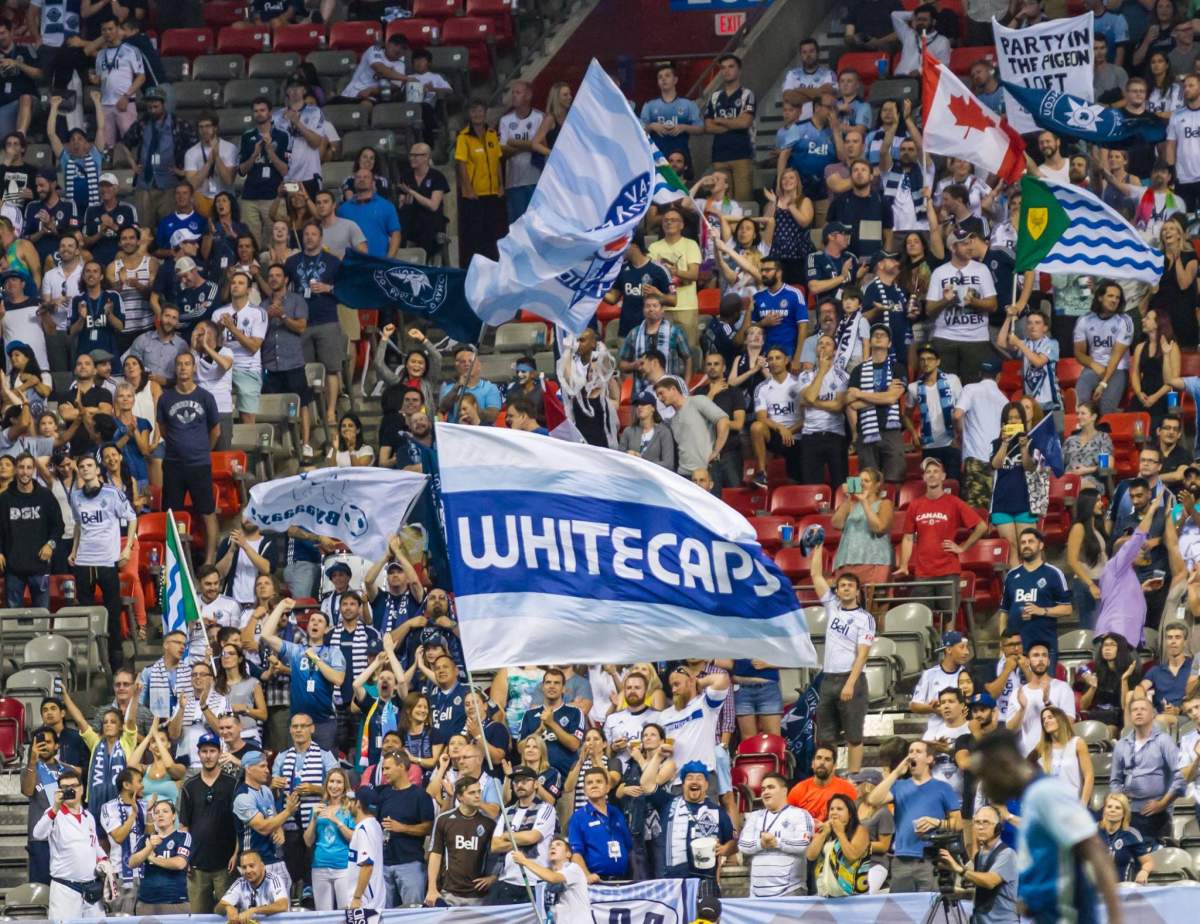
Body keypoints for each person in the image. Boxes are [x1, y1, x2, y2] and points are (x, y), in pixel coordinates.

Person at [972, 730, 1124, 924]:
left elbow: (1096, 850)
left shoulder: (1045, 793)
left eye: (985, 776)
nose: (984, 787)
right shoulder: (1031, 797)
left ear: (1005, 764)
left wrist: (1116, 919)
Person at [865, 740, 961, 892]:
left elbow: (958, 824)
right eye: (910, 752)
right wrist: (896, 773)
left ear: (929, 759)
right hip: (901, 859)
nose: (912, 755)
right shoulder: (900, 786)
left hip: (931, 860)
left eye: (918, 751)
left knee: (931, 910)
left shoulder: (943, 788)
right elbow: (873, 800)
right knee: (900, 912)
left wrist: (937, 823)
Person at [68, 452, 135, 672]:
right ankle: (93, 660)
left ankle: (116, 661)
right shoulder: (75, 496)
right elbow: (79, 525)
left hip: (107, 561)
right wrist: (74, 550)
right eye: (82, 466)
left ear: (98, 470)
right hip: (84, 561)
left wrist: (127, 547)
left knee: (112, 612)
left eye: (89, 465)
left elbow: (132, 517)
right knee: (87, 615)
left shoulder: (112, 493)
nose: (85, 469)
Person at [811, 540, 872, 772]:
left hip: (852, 679)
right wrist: (817, 547)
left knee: (854, 735)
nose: (845, 588)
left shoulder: (865, 618)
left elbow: (862, 654)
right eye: (842, 585)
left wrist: (850, 683)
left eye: (850, 585)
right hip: (829, 679)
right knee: (825, 736)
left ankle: (854, 777)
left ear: (857, 591)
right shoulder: (832, 607)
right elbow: (816, 574)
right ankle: (829, 776)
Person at [157, 351, 220, 563]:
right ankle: (178, 561)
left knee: (207, 512)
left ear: (194, 368)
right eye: (179, 364)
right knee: (172, 515)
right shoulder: (166, 399)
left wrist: (202, 450)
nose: (183, 368)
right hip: (173, 465)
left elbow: (215, 431)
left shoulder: (205, 397)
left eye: (187, 364)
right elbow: (163, 429)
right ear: (175, 369)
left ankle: (209, 561)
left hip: (199, 464)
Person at [260, 599, 345, 752]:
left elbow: (338, 679)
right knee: (298, 768)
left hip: (324, 722)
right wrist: (281, 606)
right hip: (298, 723)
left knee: (326, 770)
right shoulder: (296, 650)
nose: (315, 623)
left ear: (326, 629)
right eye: (312, 620)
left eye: (320, 621)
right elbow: (266, 635)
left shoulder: (334, 652)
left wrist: (316, 659)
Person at [644, 760, 734, 898]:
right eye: (689, 778)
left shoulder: (718, 812)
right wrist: (658, 756)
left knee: (705, 920)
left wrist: (725, 849)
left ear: (706, 785)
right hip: (672, 881)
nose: (694, 781)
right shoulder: (668, 802)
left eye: (699, 778)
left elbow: (733, 843)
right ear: (683, 784)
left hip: (705, 882)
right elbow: (646, 785)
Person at [31, 768, 108, 921]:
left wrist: (105, 860)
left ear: (81, 789)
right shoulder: (53, 813)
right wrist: (54, 808)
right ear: (59, 791)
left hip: (92, 888)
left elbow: (94, 846)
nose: (70, 790)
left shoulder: (88, 816)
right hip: (65, 889)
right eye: (65, 787)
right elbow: (38, 834)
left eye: (73, 786)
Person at [178, 732, 239, 913]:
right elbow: (184, 826)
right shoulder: (189, 786)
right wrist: (184, 856)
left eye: (212, 751)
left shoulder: (232, 784)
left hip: (226, 864)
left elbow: (239, 824)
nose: (208, 755)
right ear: (199, 754)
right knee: (198, 918)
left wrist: (236, 853)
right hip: (196, 865)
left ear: (220, 753)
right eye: (204, 751)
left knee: (227, 916)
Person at [1110, 696, 1184, 844]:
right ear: (1130, 716)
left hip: (1157, 812)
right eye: (1134, 710)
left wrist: (1163, 803)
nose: (1138, 712)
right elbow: (1115, 780)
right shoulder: (1121, 745)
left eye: (1143, 709)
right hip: (1129, 812)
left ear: (1153, 715)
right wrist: (1121, 802)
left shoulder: (1163, 741)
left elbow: (1180, 775)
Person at [997, 528, 1072, 666]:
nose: (1026, 545)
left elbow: (1067, 609)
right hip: (1015, 648)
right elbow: (1004, 612)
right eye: (1023, 542)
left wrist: (1042, 611)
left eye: (1030, 541)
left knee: (1043, 687)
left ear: (1041, 545)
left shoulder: (1053, 574)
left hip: (1043, 647)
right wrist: (1002, 644)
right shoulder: (1012, 576)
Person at [936, 804, 1019, 924]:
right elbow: (984, 892)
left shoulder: (1007, 854)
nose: (980, 827)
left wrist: (960, 869)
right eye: (977, 822)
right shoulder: (980, 855)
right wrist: (957, 892)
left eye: (986, 822)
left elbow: (990, 882)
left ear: (998, 827)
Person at [486, 765, 557, 905]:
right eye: (516, 781)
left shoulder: (546, 808)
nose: (520, 785)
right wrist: (521, 838)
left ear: (536, 784)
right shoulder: (506, 812)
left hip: (534, 881)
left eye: (525, 781)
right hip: (506, 880)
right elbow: (494, 846)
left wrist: (507, 835)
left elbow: (533, 837)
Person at [0, 451, 63, 607]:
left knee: (42, 616)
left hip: (40, 567)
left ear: (34, 470)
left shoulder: (45, 495)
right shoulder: (5, 498)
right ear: (16, 470)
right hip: (13, 568)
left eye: (29, 468)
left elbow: (58, 526)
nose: (25, 472)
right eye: (21, 467)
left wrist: (50, 544)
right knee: (12, 620)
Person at [425, 776, 498, 907]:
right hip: (449, 893)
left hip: (479, 896)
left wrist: (493, 877)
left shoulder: (489, 824)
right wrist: (431, 888)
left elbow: (498, 856)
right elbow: (435, 854)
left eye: (478, 791)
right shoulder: (444, 820)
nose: (477, 796)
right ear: (460, 797)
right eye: (472, 793)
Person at [737, 772, 814, 897]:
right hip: (757, 895)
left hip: (790, 892)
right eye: (763, 789)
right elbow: (742, 845)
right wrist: (761, 844)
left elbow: (804, 844)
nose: (765, 792)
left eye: (771, 787)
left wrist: (777, 842)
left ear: (784, 791)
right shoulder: (754, 816)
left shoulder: (800, 815)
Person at [454, 100, 505, 267]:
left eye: (480, 111)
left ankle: (494, 265)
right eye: (473, 111)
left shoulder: (491, 134)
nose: (477, 114)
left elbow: (497, 161)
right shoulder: (463, 137)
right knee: (475, 235)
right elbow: (461, 164)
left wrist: (501, 185)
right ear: (469, 114)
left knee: (493, 232)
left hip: (492, 193)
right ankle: (474, 268)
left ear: (485, 113)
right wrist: (467, 189)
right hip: (474, 196)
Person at [1006, 643, 1078, 758]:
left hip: (1057, 756)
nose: (1040, 659)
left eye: (1044, 655)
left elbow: (1069, 723)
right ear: (1028, 661)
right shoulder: (1018, 693)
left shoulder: (1063, 688)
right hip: (1029, 758)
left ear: (1049, 661)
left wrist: (1047, 702)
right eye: (1036, 655)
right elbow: (1010, 730)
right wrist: (1022, 709)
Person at [1074, 281, 1134, 415]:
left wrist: (1103, 383)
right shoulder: (1085, 320)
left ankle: (1103, 432)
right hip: (1094, 367)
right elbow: (1078, 353)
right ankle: (1080, 431)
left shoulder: (1125, 321)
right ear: (1100, 297)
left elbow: (1116, 356)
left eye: (1117, 298)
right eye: (1110, 296)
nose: (1114, 300)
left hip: (1117, 369)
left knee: (1105, 408)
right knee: (1080, 398)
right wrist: (1093, 364)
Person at [703, 54, 755, 201]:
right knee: (723, 202)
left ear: (739, 70)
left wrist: (720, 120)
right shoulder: (714, 97)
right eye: (723, 68)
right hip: (719, 156)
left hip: (742, 155)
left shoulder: (747, 94)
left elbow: (745, 123)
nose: (726, 71)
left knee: (743, 201)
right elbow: (708, 126)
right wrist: (734, 122)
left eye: (731, 67)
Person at [566, 765, 632, 882]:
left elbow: (628, 845)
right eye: (589, 783)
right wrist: (587, 877)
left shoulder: (617, 812)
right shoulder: (578, 818)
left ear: (607, 787)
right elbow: (576, 854)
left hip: (623, 881)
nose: (594, 785)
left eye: (599, 781)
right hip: (597, 882)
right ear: (585, 790)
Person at [128, 800, 191, 915]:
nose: (160, 814)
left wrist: (151, 858)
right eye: (156, 812)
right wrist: (149, 848)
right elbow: (132, 863)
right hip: (146, 902)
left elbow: (180, 863)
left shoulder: (182, 836)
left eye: (165, 811)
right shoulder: (146, 839)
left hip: (175, 902)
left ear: (173, 816)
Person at [511, 836, 591, 924]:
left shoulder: (574, 869)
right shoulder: (544, 876)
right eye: (551, 846)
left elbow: (553, 878)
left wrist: (524, 861)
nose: (553, 847)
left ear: (568, 854)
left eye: (558, 845)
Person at [805, 792, 870, 898]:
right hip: (826, 895)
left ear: (850, 814)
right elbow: (810, 856)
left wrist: (840, 833)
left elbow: (852, 856)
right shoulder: (827, 831)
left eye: (839, 809)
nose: (834, 812)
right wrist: (823, 834)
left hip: (852, 896)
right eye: (832, 809)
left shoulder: (860, 830)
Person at [215, 850, 290, 923]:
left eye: (251, 866)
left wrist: (254, 910)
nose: (248, 871)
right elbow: (218, 909)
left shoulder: (273, 879)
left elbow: (283, 905)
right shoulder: (240, 883)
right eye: (244, 867)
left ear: (262, 866)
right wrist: (228, 907)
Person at [786, 746, 858, 822]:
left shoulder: (847, 789)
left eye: (827, 759)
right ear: (812, 764)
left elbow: (855, 820)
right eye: (819, 758)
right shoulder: (798, 790)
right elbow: (787, 820)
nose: (822, 762)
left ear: (834, 766)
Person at [1097, 792, 1154, 885]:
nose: (1112, 810)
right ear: (1104, 810)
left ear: (1124, 813)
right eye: (1109, 806)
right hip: (1094, 889)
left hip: (1122, 889)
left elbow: (1148, 862)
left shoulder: (1131, 835)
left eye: (1117, 808)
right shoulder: (1091, 832)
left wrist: (1144, 872)